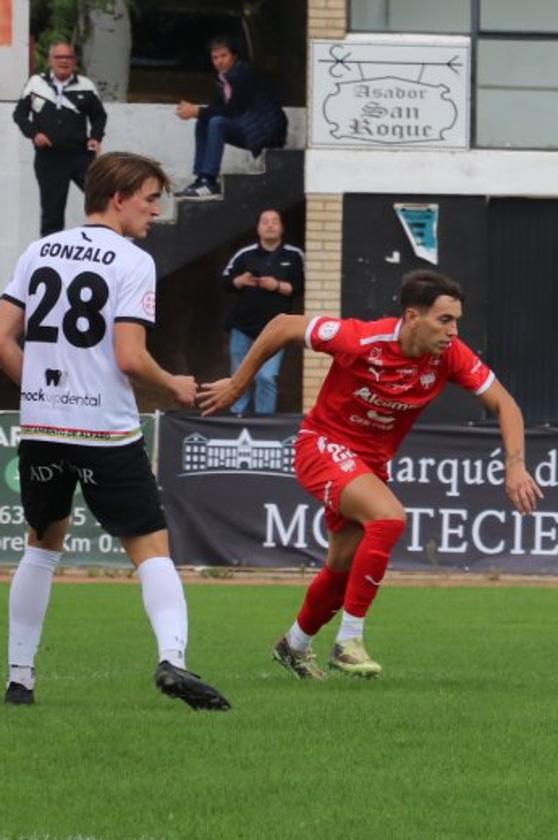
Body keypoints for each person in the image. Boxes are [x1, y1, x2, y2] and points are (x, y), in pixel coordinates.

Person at [198, 269, 543, 679]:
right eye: (444, 320)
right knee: (389, 517)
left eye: (457, 321)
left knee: (343, 571)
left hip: (370, 465)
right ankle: (349, 640)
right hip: (322, 445)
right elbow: (284, 325)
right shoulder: (362, 339)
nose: (453, 331)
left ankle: (294, 644)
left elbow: (506, 404)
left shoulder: (449, 356)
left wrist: (516, 466)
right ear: (413, 317)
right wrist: (238, 386)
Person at [0, 152, 230, 711]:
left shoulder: (38, 249)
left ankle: (20, 680)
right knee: (151, 548)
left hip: (44, 429)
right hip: (104, 430)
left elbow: (2, 337)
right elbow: (129, 357)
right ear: (120, 196)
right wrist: (173, 383)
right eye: (150, 199)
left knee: (42, 546)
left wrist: (40, 391)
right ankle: (173, 660)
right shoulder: (131, 261)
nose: (155, 212)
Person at [12, 41, 107, 236]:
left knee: (103, 199)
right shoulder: (36, 83)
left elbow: (99, 116)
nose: (63, 61)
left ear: (75, 61)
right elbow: (19, 115)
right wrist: (34, 134)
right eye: (59, 57)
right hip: (49, 158)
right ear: (50, 60)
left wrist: (95, 137)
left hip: (81, 156)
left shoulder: (85, 85)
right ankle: (49, 261)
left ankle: (103, 244)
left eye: (68, 57)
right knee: (52, 214)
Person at [174, 34, 287, 199]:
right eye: (215, 58)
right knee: (205, 122)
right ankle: (202, 178)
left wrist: (198, 111)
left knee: (216, 122)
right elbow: (219, 108)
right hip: (247, 126)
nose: (219, 61)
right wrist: (197, 112)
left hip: (264, 131)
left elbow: (234, 111)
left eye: (223, 56)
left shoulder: (244, 74)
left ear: (234, 56)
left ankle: (209, 180)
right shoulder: (225, 79)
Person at [221, 208, 304, 413]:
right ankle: (237, 418)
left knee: (266, 377)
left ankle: (263, 423)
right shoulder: (244, 254)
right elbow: (224, 281)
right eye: (265, 221)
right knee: (239, 376)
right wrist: (240, 281)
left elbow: (300, 287)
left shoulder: (294, 255)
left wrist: (275, 285)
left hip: (276, 330)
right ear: (258, 228)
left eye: (274, 221)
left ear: (282, 227)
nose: (269, 225)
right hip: (242, 327)